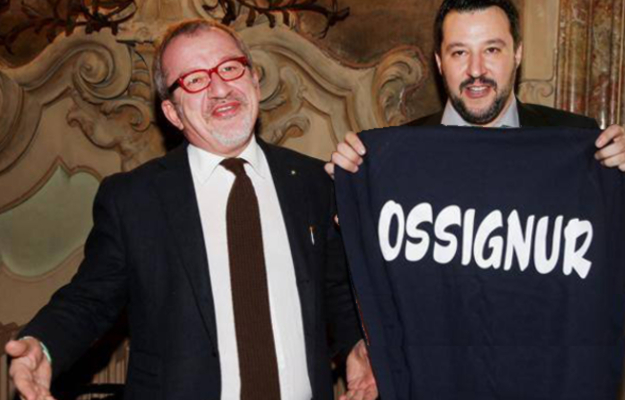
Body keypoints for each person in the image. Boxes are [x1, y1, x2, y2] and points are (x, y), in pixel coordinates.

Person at [5, 20, 377, 400]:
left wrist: (356, 344)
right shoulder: (135, 199)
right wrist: (44, 345)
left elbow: (335, 290)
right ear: (172, 112)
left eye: (229, 68)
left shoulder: (314, 182)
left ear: (254, 80)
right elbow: (89, 300)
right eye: (195, 80)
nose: (220, 89)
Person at [326, 0, 625, 190]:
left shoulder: (576, 138)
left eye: (491, 49)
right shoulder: (394, 154)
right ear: (439, 62)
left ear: (517, 53)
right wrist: (345, 189)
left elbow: (621, 204)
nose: (476, 70)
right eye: (459, 52)